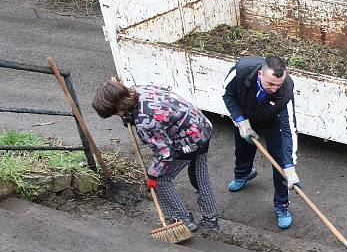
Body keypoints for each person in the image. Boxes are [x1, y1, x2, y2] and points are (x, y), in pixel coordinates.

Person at [92, 80, 220, 231]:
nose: (115, 116)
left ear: (120, 106)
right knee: (199, 176)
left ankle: (181, 219)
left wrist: (152, 176)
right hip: (200, 126)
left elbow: (165, 152)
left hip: (188, 142)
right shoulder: (138, 90)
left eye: (115, 113)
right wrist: (127, 118)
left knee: (161, 179)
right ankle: (211, 219)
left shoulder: (145, 122)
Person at [222, 54, 300, 229]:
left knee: (280, 160)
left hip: (273, 120)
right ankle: (244, 173)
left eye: (278, 84)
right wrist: (240, 120)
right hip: (246, 113)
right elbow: (226, 94)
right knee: (242, 147)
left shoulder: (285, 89)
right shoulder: (241, 71)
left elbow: (290, 129)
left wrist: (290, 166)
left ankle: (282, 205)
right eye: (271, 84)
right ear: (260, 74)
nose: (274, 88)